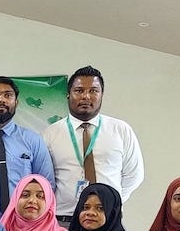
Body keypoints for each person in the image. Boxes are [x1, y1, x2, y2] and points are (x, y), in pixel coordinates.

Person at [42, 66, 144, 223]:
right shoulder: (50, 134)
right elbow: (44, 179)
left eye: (93, 91)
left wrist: (109, 203)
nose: (86, 96)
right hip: (64, 221)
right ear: (68, 94)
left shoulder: (121, 130)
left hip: (107, 221)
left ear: (102, 95)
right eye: (79, 90)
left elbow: (134, 175)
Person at [0, 76, 55, 219]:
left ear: (16, 102)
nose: (2, 100)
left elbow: (46, 186)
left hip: (24, 224)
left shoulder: (33, 140)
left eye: (8, 95)